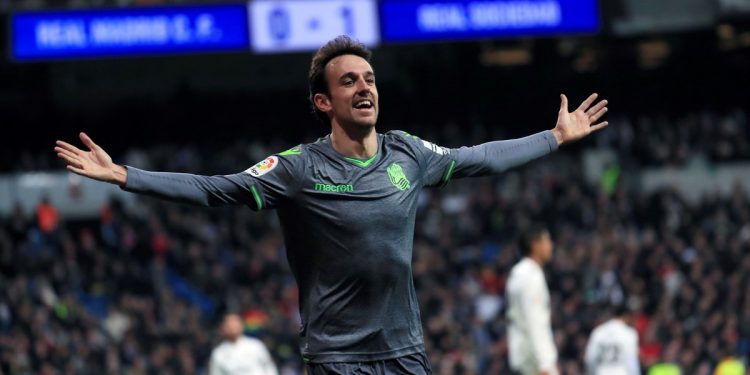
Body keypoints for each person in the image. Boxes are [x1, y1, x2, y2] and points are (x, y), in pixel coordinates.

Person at [54, 36, 609, 374]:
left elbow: (482, 157)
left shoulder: (408, 154)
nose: (364, 88)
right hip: (337, 358)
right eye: (348, 82)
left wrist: (553, 139)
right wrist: (125, 174)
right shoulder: (297, 168)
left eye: (369, 78)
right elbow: (214, 189)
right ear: (324, 101)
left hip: (405, 353)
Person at [505, 225, 558, 375]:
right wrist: (545, 363)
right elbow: (534, 319)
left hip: (523, 358)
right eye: (547, 240)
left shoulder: (517, 274)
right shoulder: (530, 276)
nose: (551, 245)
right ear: (535, 245)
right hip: (534, 363)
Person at [209, 314, 279, 375]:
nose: (232, 327)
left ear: (241, 325)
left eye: (235, 323)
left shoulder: (255, 345)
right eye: (229, 325)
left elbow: (269, 367)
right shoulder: (219, 353)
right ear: (223, 328)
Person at [584, 304, 640, 375]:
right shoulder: (629, 333)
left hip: (601, 372)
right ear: (626, 316)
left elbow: (590, 359)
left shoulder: (598, 332)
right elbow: (631, 361)